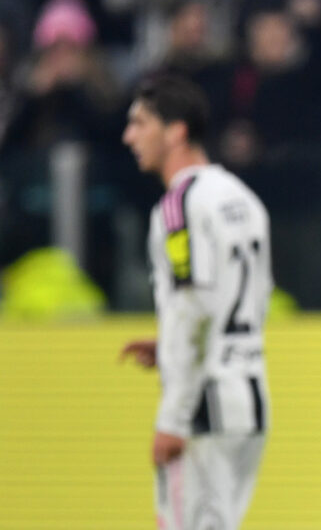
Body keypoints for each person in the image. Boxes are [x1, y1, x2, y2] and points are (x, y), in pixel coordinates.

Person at [118, 75, 271, 530]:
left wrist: (173, 418)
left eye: (140, 123)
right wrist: (166, 343)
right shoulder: (241, 197)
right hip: (249, 398)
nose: (129, 136)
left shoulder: (178, 206)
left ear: (176, 131)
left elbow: (193, 307)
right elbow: (243, 298)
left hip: (206, 403)